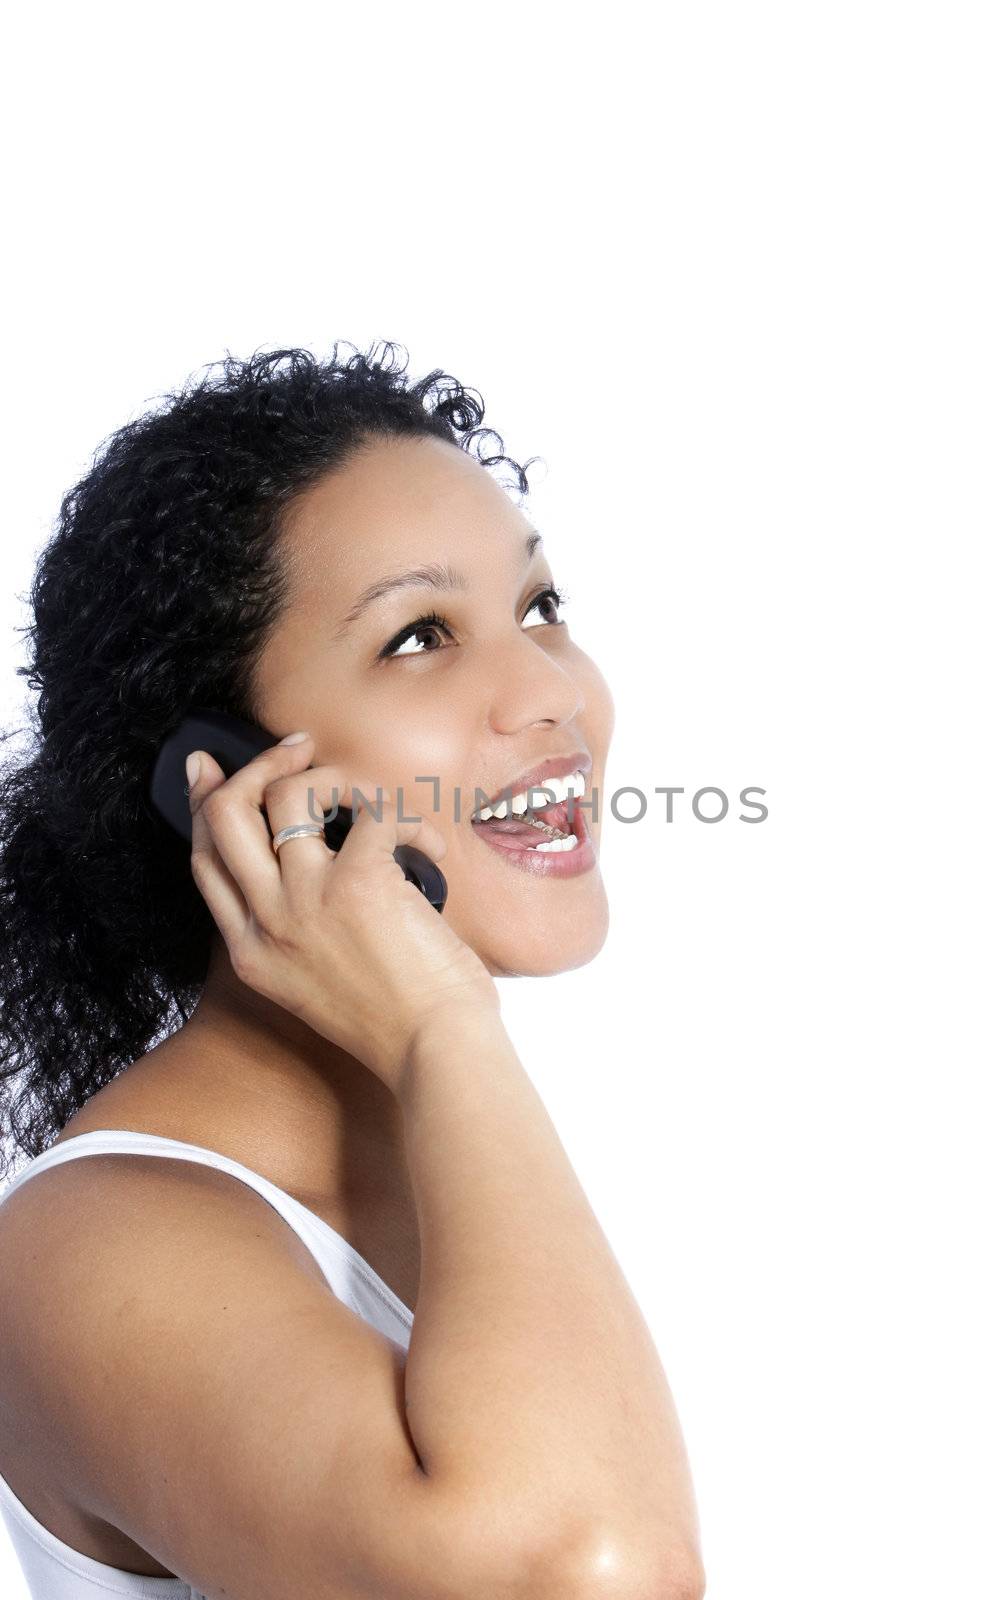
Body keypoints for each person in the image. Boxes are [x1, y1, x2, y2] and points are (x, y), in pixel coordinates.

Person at [0, 342, 705, 1600]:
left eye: (539, 607)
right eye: (420, 635)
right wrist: (444, 1025)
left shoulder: (452, 1150)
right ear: (219, 778)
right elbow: (582, 1576)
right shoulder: (91, 1249)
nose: (549, 692)